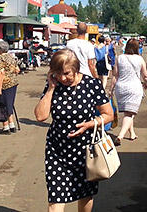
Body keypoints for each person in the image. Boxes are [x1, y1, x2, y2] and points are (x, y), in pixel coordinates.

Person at [34, 48, 114, 212]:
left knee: (84, 195)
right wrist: (50, 89)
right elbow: (40, 116)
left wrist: (90, 124)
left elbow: (108, 115)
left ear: (76, 69)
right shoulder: (54, 86)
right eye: (58, 73)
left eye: (67, 73)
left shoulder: (92, 85)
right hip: (57, 150)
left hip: (86, 152)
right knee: (55, 198)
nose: (63, 78)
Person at [109, 38, 147, 146]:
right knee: (129, 113)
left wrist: (111, 89)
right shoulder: (139, 59)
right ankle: (120, 136)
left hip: (120, 88)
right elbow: (145, 75)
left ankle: (132, 133)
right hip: (134, 88)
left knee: (129, 112)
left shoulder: (119, 58)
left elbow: (115, 75)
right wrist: (146, 83)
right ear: (137, 48)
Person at [0, 40, 20, 133]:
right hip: (13, 83)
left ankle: (6, 126)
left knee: (2, 105)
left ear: (0, 49)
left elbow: (1, 73)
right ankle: (12, 125)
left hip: (4, 84)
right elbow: (17, 70)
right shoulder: (11, 57)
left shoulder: (0, 58)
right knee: (9, 104)